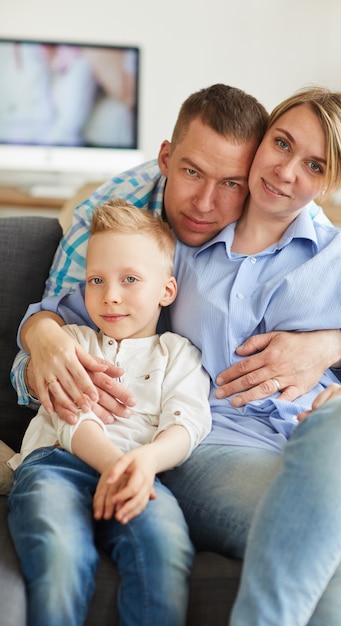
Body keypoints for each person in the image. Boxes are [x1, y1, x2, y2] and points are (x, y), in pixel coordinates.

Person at [13, 85, 341, 625]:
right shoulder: (183, 251)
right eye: (281, 144)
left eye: (315, 164)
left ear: (334, 181)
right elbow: (73, 314)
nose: (286, 170)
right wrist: (39, 333)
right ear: (260, 146)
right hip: (225, 453)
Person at [11, 83, 341, 428]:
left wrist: (333, 344)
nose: (204, 204)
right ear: (166, 159)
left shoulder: (286, 213)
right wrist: (43, 340)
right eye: (192, 172)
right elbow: (42, 347)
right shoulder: (106, 219)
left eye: (231, 183)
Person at [7, 200, 211, 626]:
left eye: (130, 279)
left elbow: (188, 423)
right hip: (55, 466)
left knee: (165, 544)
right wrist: (118, 466)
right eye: (96, 280)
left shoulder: (178, 354)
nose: (110, 295)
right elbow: (68, 417)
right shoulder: (73, 342)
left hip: (139, 472)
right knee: (60, 549)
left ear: (167, 291)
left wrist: (144, 464)